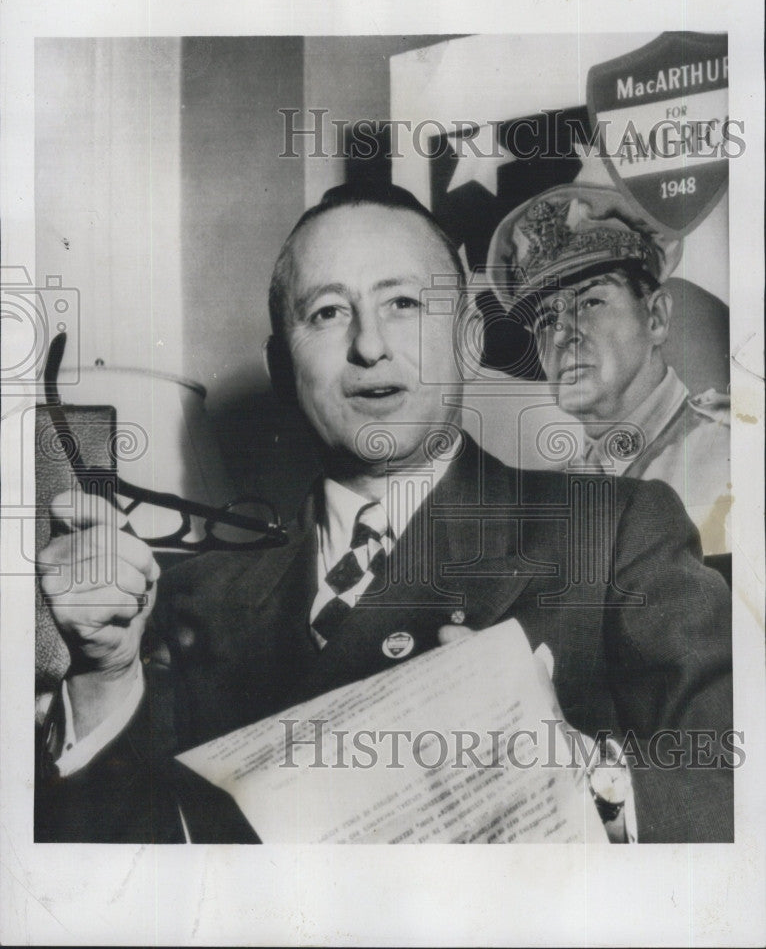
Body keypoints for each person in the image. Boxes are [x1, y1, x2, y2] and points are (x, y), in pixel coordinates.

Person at [36, 183, 733, 844]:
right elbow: (108, 882)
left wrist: (586, 776)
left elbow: (733, 784)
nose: (369, 345)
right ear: (284, 368)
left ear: (466, 338)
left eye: (402, 303)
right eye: (328, 312)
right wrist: (102, 683)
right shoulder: (186, 601)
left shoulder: (613, 531)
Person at [486, 183, 731, 555]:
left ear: (656, 317)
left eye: (590, 302)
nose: (562, 335)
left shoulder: (730, 455)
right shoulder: (543, 503)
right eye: (545, 319)